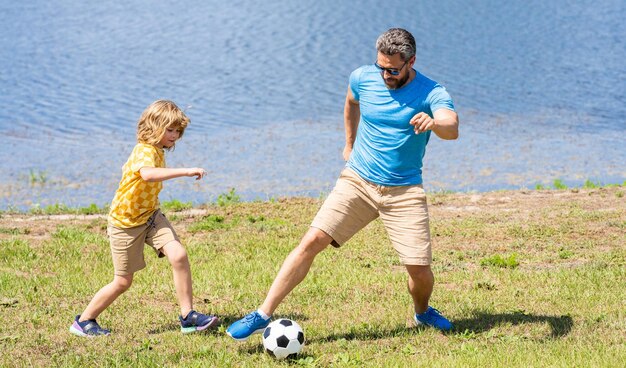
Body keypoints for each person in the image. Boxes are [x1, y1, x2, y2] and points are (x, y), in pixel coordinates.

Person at [227, 28, 459, 340]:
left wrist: (434, 122)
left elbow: (452, 126)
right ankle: (262, 313)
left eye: (393, 69)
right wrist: (349, 143)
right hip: (358, 181)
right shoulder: (363, 77)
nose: (386, 74)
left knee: (418, 268)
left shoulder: (432, 92)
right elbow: (351, 102)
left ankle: (422, 312)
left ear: (411, 61)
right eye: (381, 67)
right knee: (311, 241)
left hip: (403, 191)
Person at [69, 100, 219, 337]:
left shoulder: (158, 150)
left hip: (150, 216)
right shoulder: (144, 150)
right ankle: (85, 320)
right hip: (125, 224)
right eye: (170, 130)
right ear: (153, 127)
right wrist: (186, 171)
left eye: (178, 131)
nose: (175, 135)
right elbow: (148, 175)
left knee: (178, 255)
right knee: (123, 282)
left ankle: (187, 316)